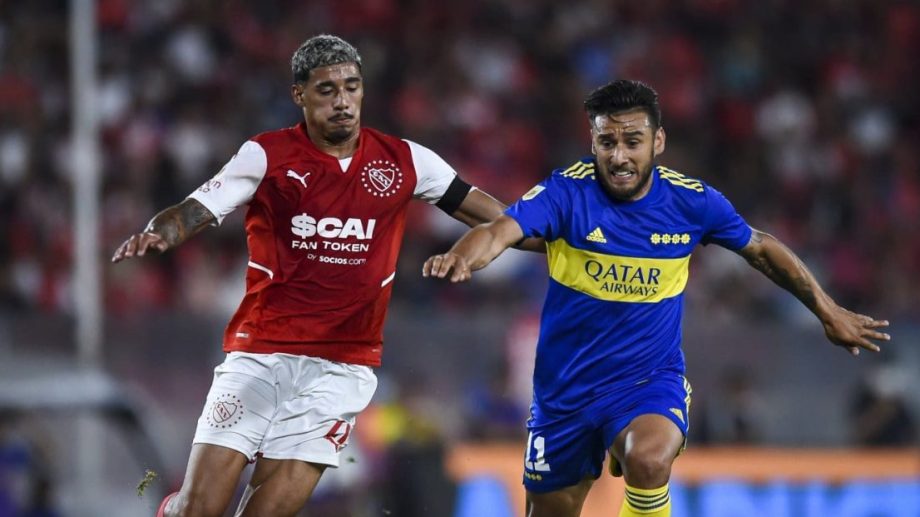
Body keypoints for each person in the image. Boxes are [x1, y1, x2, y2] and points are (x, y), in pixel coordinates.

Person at [112, 34, 538, 517]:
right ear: (300, 94)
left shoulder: (406, 161)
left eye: (351, 87)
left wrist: (570, 235)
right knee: (199, 510)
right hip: (259, 356)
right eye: (326, 90)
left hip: (341, 370)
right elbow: (195, 208)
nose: (342, 101)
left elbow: (504, 221)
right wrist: (159, 232)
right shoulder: (266, 155)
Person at [423, 79, 891, 517]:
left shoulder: (692, 202)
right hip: (565, 392)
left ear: (658, 142)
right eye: (607, 142)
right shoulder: (566, 191)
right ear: (592, 143)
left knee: (648, 459)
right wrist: (464, 256)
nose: (619, 156)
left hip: (647, 382)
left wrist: (827, 311)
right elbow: (501, 229)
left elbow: (762, 248)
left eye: (633, 141)